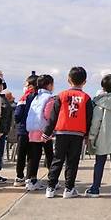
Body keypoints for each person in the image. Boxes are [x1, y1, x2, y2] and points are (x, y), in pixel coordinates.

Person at [43, 67, 93, 199]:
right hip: (77, 133)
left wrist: (47, 132)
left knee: (57, 160)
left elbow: (53, 116)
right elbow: (89, 119)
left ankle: (50, 187)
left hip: (61, 131)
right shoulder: (86, 98)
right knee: (72, 161)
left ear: (68, 80)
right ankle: (69, 189)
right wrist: (87, 135)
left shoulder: (61, 95)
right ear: (85, 82)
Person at [25, 74, 55, 191]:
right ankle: (53, 180)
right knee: (50, 156)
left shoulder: (36, 97)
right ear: (49, 85)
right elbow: (48, 115)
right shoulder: (49, 98)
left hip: (32, 130)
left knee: (34, 157)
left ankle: (31, 180)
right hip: (44, 130)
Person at [13, 73, 38, 187]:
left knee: (21, 155)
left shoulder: (24, 97)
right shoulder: (39, 98)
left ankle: (19, 177)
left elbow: (17, 115)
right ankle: (31, 178)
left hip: (23, 130)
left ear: (31, 86)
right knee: (32, 156)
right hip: (35, 131)